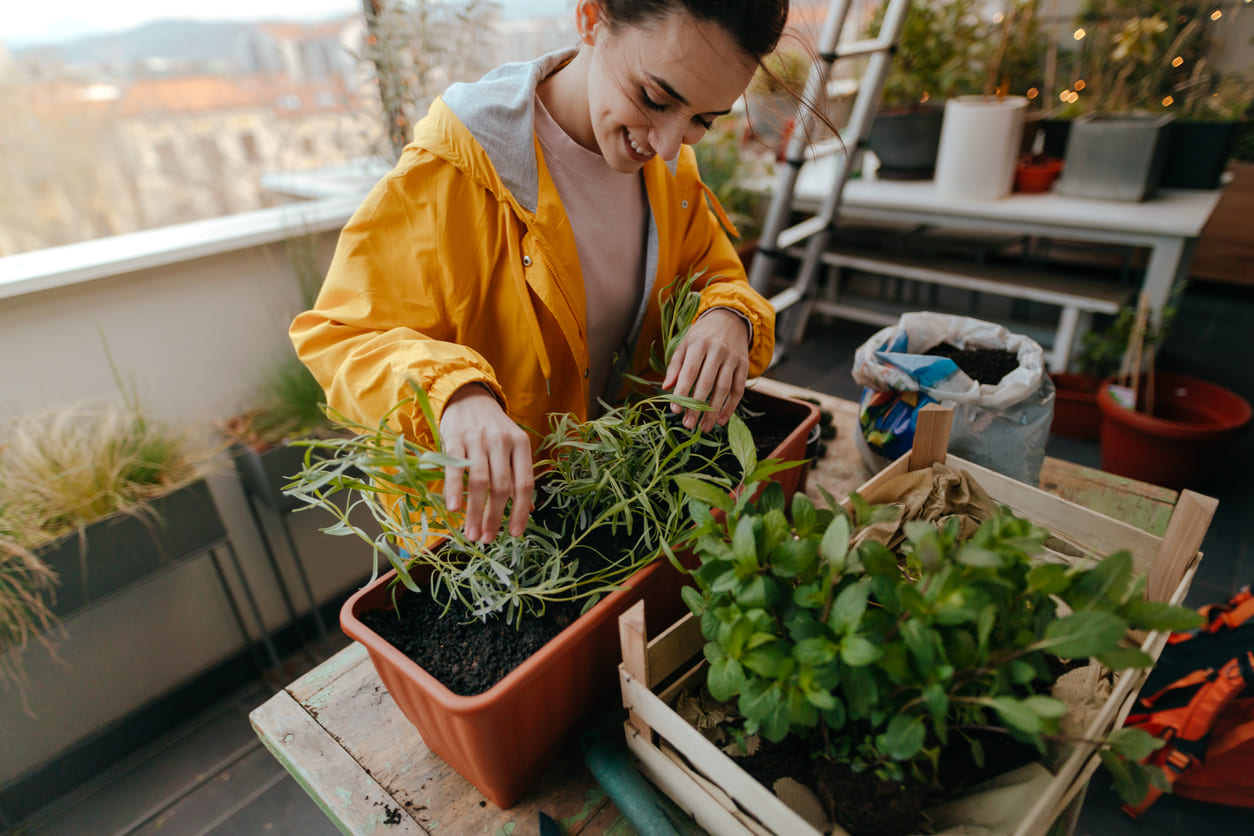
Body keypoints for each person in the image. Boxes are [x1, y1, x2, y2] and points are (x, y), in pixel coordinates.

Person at [291, 0, 794, 547]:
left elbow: (713, 274)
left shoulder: (671, 174)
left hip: (615, 516)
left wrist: (729, 315)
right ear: (590, 20)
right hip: (489, 552)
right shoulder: (451, 172)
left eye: (703, 120)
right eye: (654, 98)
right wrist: (453, 394)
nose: (669, 144)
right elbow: (341, 337)